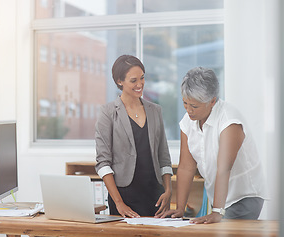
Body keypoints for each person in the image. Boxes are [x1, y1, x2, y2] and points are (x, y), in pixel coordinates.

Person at [159, 67, 267, 223]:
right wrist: (180, 209)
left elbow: (224, 168)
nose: (189, 110)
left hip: (243, 196)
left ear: (212, 101)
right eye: (185, 103)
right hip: (219, 197)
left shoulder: (229, 121)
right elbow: (186, 167)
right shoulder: (188, 121)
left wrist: (217, 211)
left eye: (194, 106)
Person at [95, 55, 173, 218]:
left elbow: (163, 157)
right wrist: (118, 203)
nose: (140, 84)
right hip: (124, 198)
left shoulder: (155, 110)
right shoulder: (108, 112)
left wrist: (168, 191)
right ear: (119, 81)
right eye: (133, 80)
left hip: (155, 197)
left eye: (142, 78)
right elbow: (103, 163)